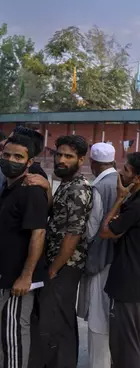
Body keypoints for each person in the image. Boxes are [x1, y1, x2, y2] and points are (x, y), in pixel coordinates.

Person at [30, 135, 93, 368]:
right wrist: (47, 187)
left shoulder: (78, 188)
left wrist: (55, 268)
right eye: (59, 154)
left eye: (69, 156)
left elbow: (74, 234)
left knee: (57, 322)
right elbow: (53, 215)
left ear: (81, 159)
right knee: (56, 319)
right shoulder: (66, 184)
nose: (61, 160)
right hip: (57, 263)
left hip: (64, 266)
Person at [99, 152, 140, 368]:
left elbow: (105, 231)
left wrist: (118, 199)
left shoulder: (138, 205)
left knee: (126, 344)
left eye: (125, 170)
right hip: (135, 282)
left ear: (138, 179)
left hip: (128, 283)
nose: (120, 173)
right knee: (128, 342)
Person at [0, 134, 49, 368]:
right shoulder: (8, 187)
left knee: (14, 335)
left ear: (30, 162)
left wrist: (26, 276)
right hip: (5, 276)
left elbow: (38, 234)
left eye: (18, 156)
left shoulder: (31, 190)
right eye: (7, 154)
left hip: (17, 281)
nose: (11, 160)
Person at [76, 142, 119, 368]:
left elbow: (91, 229)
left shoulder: (99, 187)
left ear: (93, 163)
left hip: (100, 258)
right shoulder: (121, 181)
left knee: (98, 317)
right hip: (117, 258)